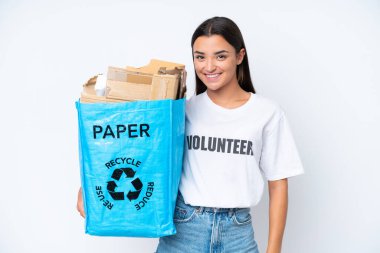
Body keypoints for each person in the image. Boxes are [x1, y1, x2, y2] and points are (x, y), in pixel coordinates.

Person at [77, 16, 304, 253]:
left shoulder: (266, 113)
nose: (209, 66)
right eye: (200, 57)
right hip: (184, 230)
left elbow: (278, 184)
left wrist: (274, 249)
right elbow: (133, 147)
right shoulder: (181, 110)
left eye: (221, 56)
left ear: (239, 56)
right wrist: (89, 187)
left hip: (238, 235)